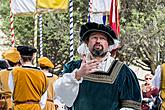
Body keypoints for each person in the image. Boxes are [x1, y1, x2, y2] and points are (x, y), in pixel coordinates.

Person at [54, 22, 141, 110]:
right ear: (87, 42)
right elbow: (62, 97)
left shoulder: (123, 72)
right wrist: (77, 75)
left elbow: (130, 107)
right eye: (94, 37)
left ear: (109, 44)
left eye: (102, 38)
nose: (98, 41)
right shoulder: (73, 67)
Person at [8, 46, 48, 110]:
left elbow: (12, 91)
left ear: (20, 57)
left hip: (19, 107)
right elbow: (43, 97)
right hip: (35, 107)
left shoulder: (14, 72)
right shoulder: (42, 74)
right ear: (33, 57)